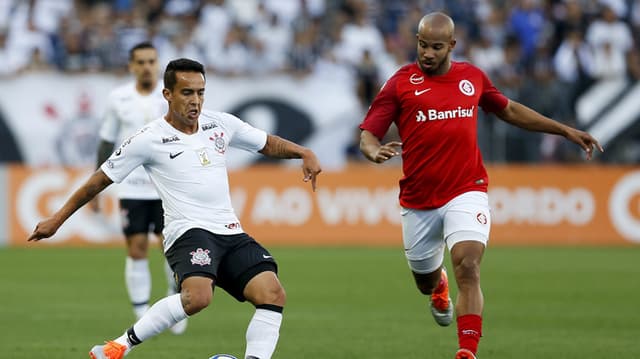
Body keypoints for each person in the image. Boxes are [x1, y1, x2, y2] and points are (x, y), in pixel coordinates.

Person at [28, 58, 322, 359]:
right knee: (198, 298)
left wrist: (303, 152)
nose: (195, 101)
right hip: (188, 231)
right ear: (167, 94)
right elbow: (98, 180)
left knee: (273, 294)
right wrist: (57, 219)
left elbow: (266, 143)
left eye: (200, 92)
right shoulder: (148, 139)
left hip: (230, 231)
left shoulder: (220, 123)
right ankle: (117, 347)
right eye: (186, 93)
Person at [358, 12, 603, 359]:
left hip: (466, 188)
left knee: (468, 265)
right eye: (422, 44)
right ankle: (438, 286)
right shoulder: (400, 83)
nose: (427, 53)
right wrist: (372, 151)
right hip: (418, 199)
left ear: (452, 46)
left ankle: (467, 351)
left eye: (436, 47)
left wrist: (564, 130)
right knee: (424, 281)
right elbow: (369, 132)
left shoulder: (471, 78)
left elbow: (511, 110)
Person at [90, 41, 187, 334]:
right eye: (140, 62)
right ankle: (141, 312)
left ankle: (175, 301)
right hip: (132, 186)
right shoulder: (118, 98)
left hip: (165, 187)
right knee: (137, 247)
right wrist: (96, 186)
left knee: (170, 247)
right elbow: (107, 140)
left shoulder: (170, 96)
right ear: (131, 66)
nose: (146, 67)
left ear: (157, 64)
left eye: (151, 61)